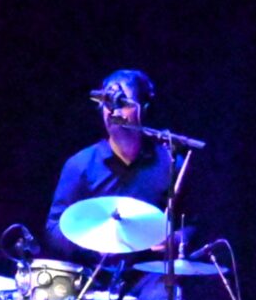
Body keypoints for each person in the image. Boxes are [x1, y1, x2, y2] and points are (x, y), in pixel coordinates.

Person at [44, 69, 175, 261]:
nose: (114, 111)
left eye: (123, 103)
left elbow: (191, 223)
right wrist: (91, 249)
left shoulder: (169, 163)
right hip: (94, 275)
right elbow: (54, 226)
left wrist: (177, 238)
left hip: (149, 275)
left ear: (144, 109)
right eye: (108, 102)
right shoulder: (80, 165)